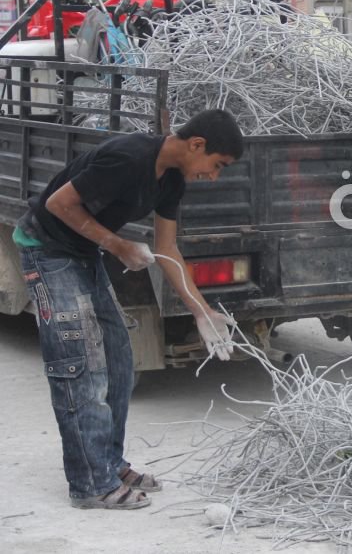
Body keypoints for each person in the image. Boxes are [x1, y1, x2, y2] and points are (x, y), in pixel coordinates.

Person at [13, 109, 245, 510]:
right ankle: (90, 484)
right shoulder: (128, 157)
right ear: (197, 145)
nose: (214, 175)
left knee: (120, 358)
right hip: (47, 251)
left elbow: (167, 249)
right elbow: (58, 204)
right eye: (217, 165)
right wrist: (118, 245)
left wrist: (201, 311)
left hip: (83, 254)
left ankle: (109, 463)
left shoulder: (171, 180)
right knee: (80, 363)